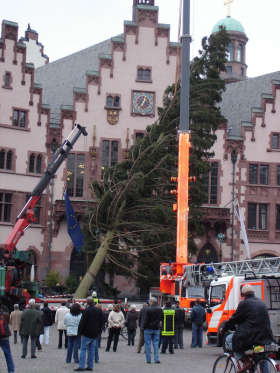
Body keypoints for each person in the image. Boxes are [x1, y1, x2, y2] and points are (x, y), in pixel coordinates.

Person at [222, 284, 273, 367]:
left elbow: (234, 319)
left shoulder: (244, 304)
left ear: (242, 294)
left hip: (252, 337)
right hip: (266, 337)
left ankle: (245, 361)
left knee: (229, 339)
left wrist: (223, 329)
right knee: (262, 356)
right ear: (253, 293)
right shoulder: (262, 303)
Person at [75, 296, 103, 372]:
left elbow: (82, 323)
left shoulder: (86, 311)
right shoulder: (99, 311)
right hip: (95, 333)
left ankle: (81, 366)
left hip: (86, 333)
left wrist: (79, 332)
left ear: (87, 303)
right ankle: (90, 366)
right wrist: (99, 331)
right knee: (91, 350)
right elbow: (102, 321)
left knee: (83, 350)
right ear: (93, 302)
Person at [143, 297, 162, 364]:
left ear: (152, 302)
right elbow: (161, 318)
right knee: (156, 344)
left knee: (148, 344)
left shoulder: (148, 309)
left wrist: (144, 327)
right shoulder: (160, 309)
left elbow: (146, 320)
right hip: (156, 329)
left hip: (148, 328)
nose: (149, 302)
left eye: (150, 301)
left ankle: (148, 360)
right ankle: (156, 359)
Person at [0, 308, 15, 373]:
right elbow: (9, 323)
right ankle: (11, 370)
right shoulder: (5, 315)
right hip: (4, 336)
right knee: (8, 354)